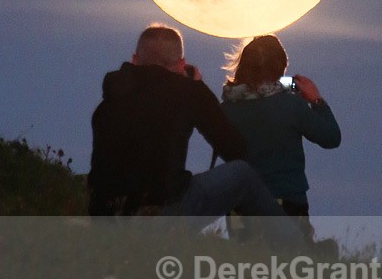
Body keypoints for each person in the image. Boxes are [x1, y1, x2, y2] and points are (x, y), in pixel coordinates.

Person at [87, 23, 302, 245]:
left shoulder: (108, 101)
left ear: (134, 59)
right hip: (160, 218)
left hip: (106, 220)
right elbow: (235, 149)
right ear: (181, 64)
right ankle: (297, 248)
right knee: (242, 174)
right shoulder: (187, 92)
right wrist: (198, 88)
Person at [215, 35, 341, 238]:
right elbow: (331, 138)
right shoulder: (291, 105)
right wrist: (316, 101)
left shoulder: (225, 110)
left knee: (244, 264)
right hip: (287, 203)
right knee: (289, 265)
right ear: (281, 68)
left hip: (240, 206)